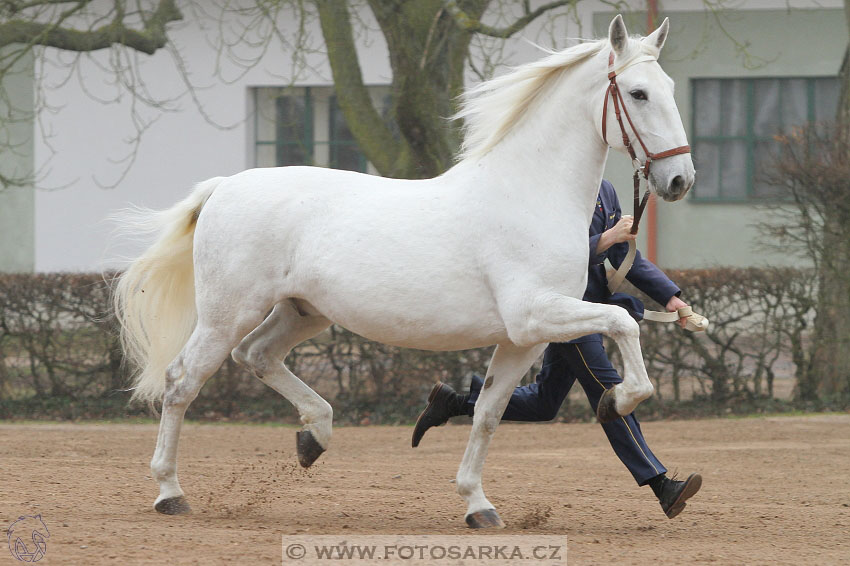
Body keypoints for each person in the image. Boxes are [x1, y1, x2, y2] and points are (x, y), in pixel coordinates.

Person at [412, 179, 702, 519]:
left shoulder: (605, 191)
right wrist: (607, 238)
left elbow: (626, 256)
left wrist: (672, 298)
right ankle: (661, 485)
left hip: (587, 310)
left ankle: (457, 401)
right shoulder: (548, 190)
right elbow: (548, 257)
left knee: (543, 404)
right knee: (609, 392)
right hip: (564, 310)